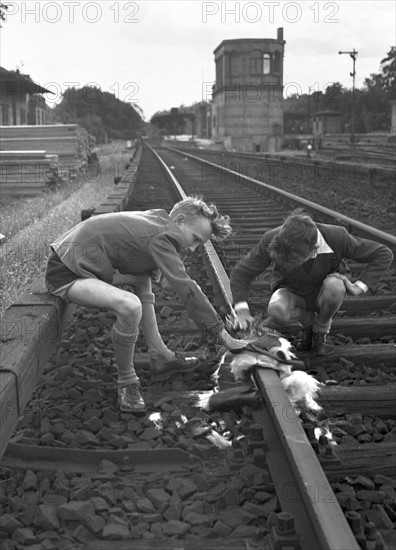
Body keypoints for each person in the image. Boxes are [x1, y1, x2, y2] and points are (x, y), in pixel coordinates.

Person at [45, 196, 246, 413]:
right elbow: (187, 288)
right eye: (195, 239)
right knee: (130, 305)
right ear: (178, 220)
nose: (193, 249)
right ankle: (127, 382)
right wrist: (224, 337)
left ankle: (159, 354)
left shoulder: (158, 220)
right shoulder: (162, 236)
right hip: (67, 273)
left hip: (79, 261)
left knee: (143, 277)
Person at [230, 209, 393, 356]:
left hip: (325, 293)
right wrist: (242, 311)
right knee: (276, 309)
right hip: (291, 291)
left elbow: (383, 253)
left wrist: (360, 286)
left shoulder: (337, 237)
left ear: (314, 249)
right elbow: (242, 272)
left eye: (293, 260)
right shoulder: (273, 238)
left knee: (335, 285)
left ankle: (321, 328)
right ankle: (308, 323)